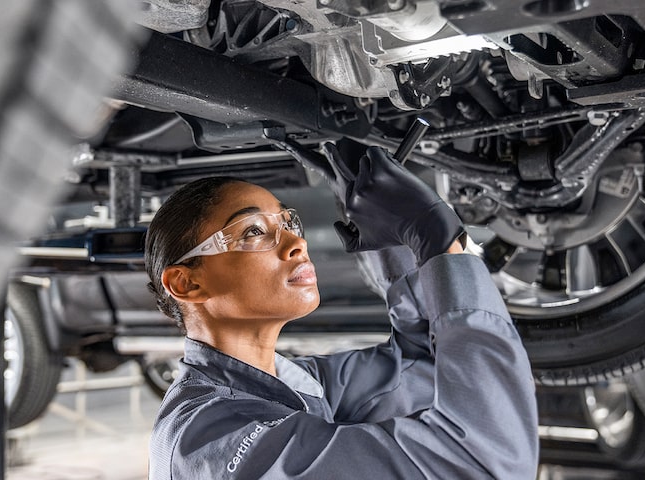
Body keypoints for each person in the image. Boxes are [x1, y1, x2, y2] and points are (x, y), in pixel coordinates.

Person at [144, 143, 539, 479]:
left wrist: (394, 240)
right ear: (187, 284)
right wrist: (438, 239)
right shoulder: (206, 441)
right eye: (253, 231)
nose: (296, 243)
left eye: (288, 222)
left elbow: (422, 368)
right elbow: (485, 462)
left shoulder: (290, 384)